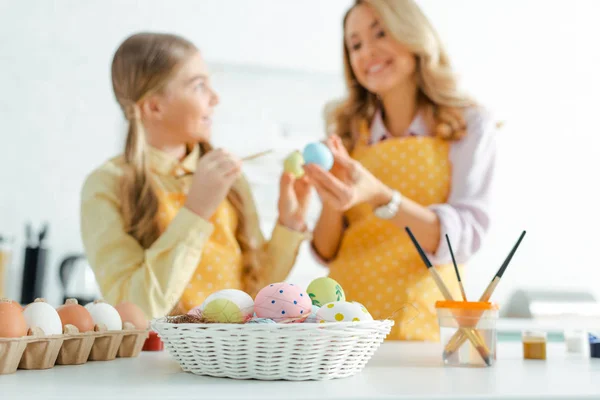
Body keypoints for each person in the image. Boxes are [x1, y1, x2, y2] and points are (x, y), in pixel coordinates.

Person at [80, 32, 312, 319]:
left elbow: (257, 292)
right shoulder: (106, 185)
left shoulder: (227, 178)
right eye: (199, 86)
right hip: (153, 360)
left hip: (231, 356)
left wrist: (288, 224)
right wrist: (197, 210)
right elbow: (136, 310)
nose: (215, 98)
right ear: (154, 107)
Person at [305, 0, 498, 341]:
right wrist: (332, 200)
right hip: (345, 322)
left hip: (424, 320)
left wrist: (381, 196)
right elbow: (327, 250)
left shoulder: (467, 124)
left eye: (381, 32)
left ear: (413, 34)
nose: (368, 51)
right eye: (355, 44)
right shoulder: (348, 133)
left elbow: (463, 239)